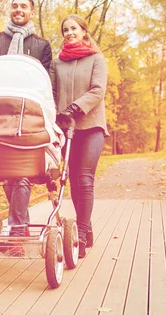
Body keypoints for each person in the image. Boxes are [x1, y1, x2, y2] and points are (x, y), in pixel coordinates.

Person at [0, 0, 52, 255]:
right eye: (15, 5)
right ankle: (17, 230)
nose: (18, 10)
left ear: (32, 13)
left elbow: (44, 82)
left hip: (27, 115)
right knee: (9, 173)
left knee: (20, 173)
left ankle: (18, 233)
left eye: (24, 6)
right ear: (10, 10)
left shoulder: (42, 46)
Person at [49, 14, 108, 258]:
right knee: (72, 179)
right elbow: (51, 92)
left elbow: (98, 90)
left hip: (91, 126)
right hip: (66, 129)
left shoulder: (96, 58)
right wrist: (55, 115)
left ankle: (80, 235)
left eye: (73, 28)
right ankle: (87, 226)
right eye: (65, 29)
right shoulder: (57, 63)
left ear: (84, 31)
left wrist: (74, 107)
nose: (69, 32)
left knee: (85, 179)